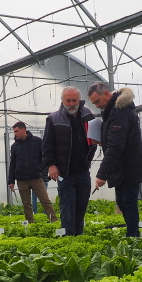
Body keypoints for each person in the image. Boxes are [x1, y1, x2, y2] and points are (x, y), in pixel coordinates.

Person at [89, 84, 142, 237]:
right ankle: (133, 234)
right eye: (94, 103)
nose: (97, 106)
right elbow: (115, 141)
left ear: (107, 93)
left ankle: (133, 237)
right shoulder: (112, 112)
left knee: (129, 204)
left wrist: (102, 174)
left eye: (98, 101)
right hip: (121, 167)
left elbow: (116, 147)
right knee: (123, 203)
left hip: (129, 166)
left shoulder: (119, 113)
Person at [42, 86, 96, 236]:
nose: (71, 104)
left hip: (83, 170)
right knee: (67, 206)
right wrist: (51, 165)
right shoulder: (53, 119)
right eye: (68, 100)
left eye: (74, 100)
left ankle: (78, 236)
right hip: (65, 172)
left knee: (81, 206)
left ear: (79, 100)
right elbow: (47, 145)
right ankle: (68, 237)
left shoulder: (87, 114)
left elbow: (95, 137)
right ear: (62, 101)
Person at [7, 121, 57, 224]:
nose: (15, 134)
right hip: (21, 179)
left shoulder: (37, 142)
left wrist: (40, 167)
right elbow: (13, 164)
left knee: (45, 200)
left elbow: (45, 156)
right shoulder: (15, 146)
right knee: (26, 204)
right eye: (14, 132)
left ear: (23, 130)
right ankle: (30, 223)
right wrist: (11, 181)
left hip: (36, 178)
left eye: (16, 131)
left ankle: (54, 220)